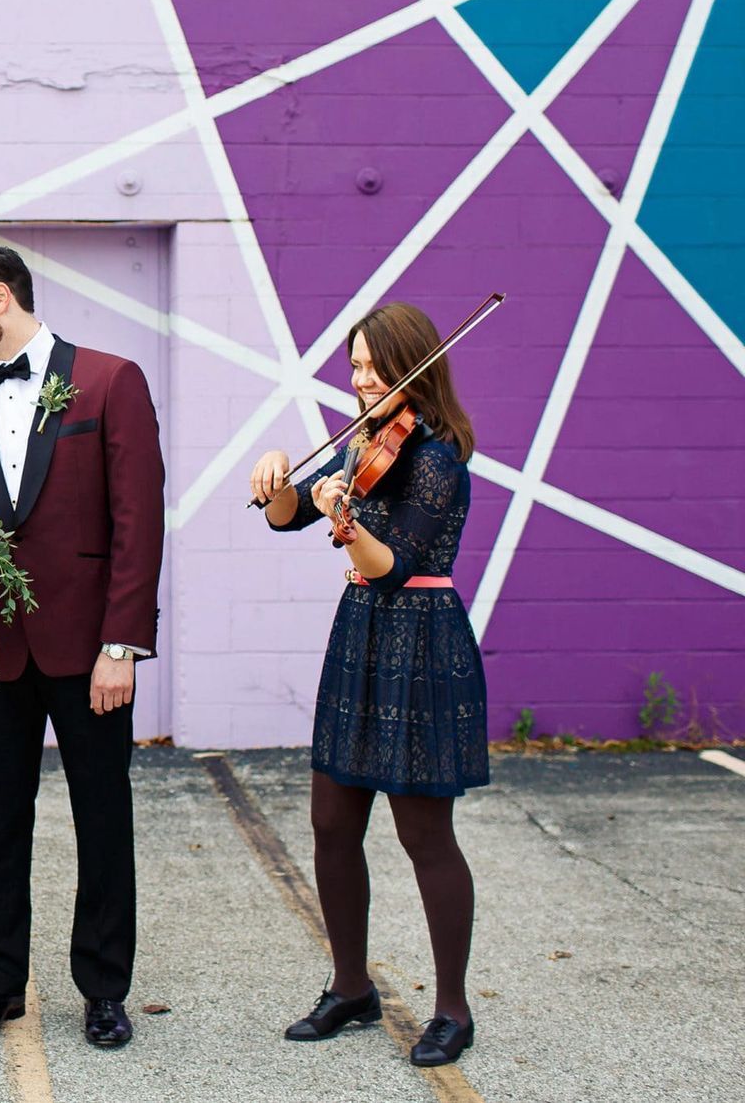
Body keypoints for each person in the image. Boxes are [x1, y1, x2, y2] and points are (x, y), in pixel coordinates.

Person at [0, 245, 164, 1049]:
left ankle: (103, 989)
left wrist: (122, 644)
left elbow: (139, 523)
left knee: (103, 818)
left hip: (91, 647)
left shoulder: (110, 379)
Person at [248, 301, 486, 1068]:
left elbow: (399, 567)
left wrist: (349, 526)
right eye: (352, 365)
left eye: (370, 366)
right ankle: (351, 986)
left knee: (424, 833)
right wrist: (279, 478)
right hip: (362, 635)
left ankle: (452, 1010)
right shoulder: (362, 444)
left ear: (409, 362)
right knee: (329, 820)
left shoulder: (438, 457)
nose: (357, 379)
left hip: (420, 635)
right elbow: (285, 516)